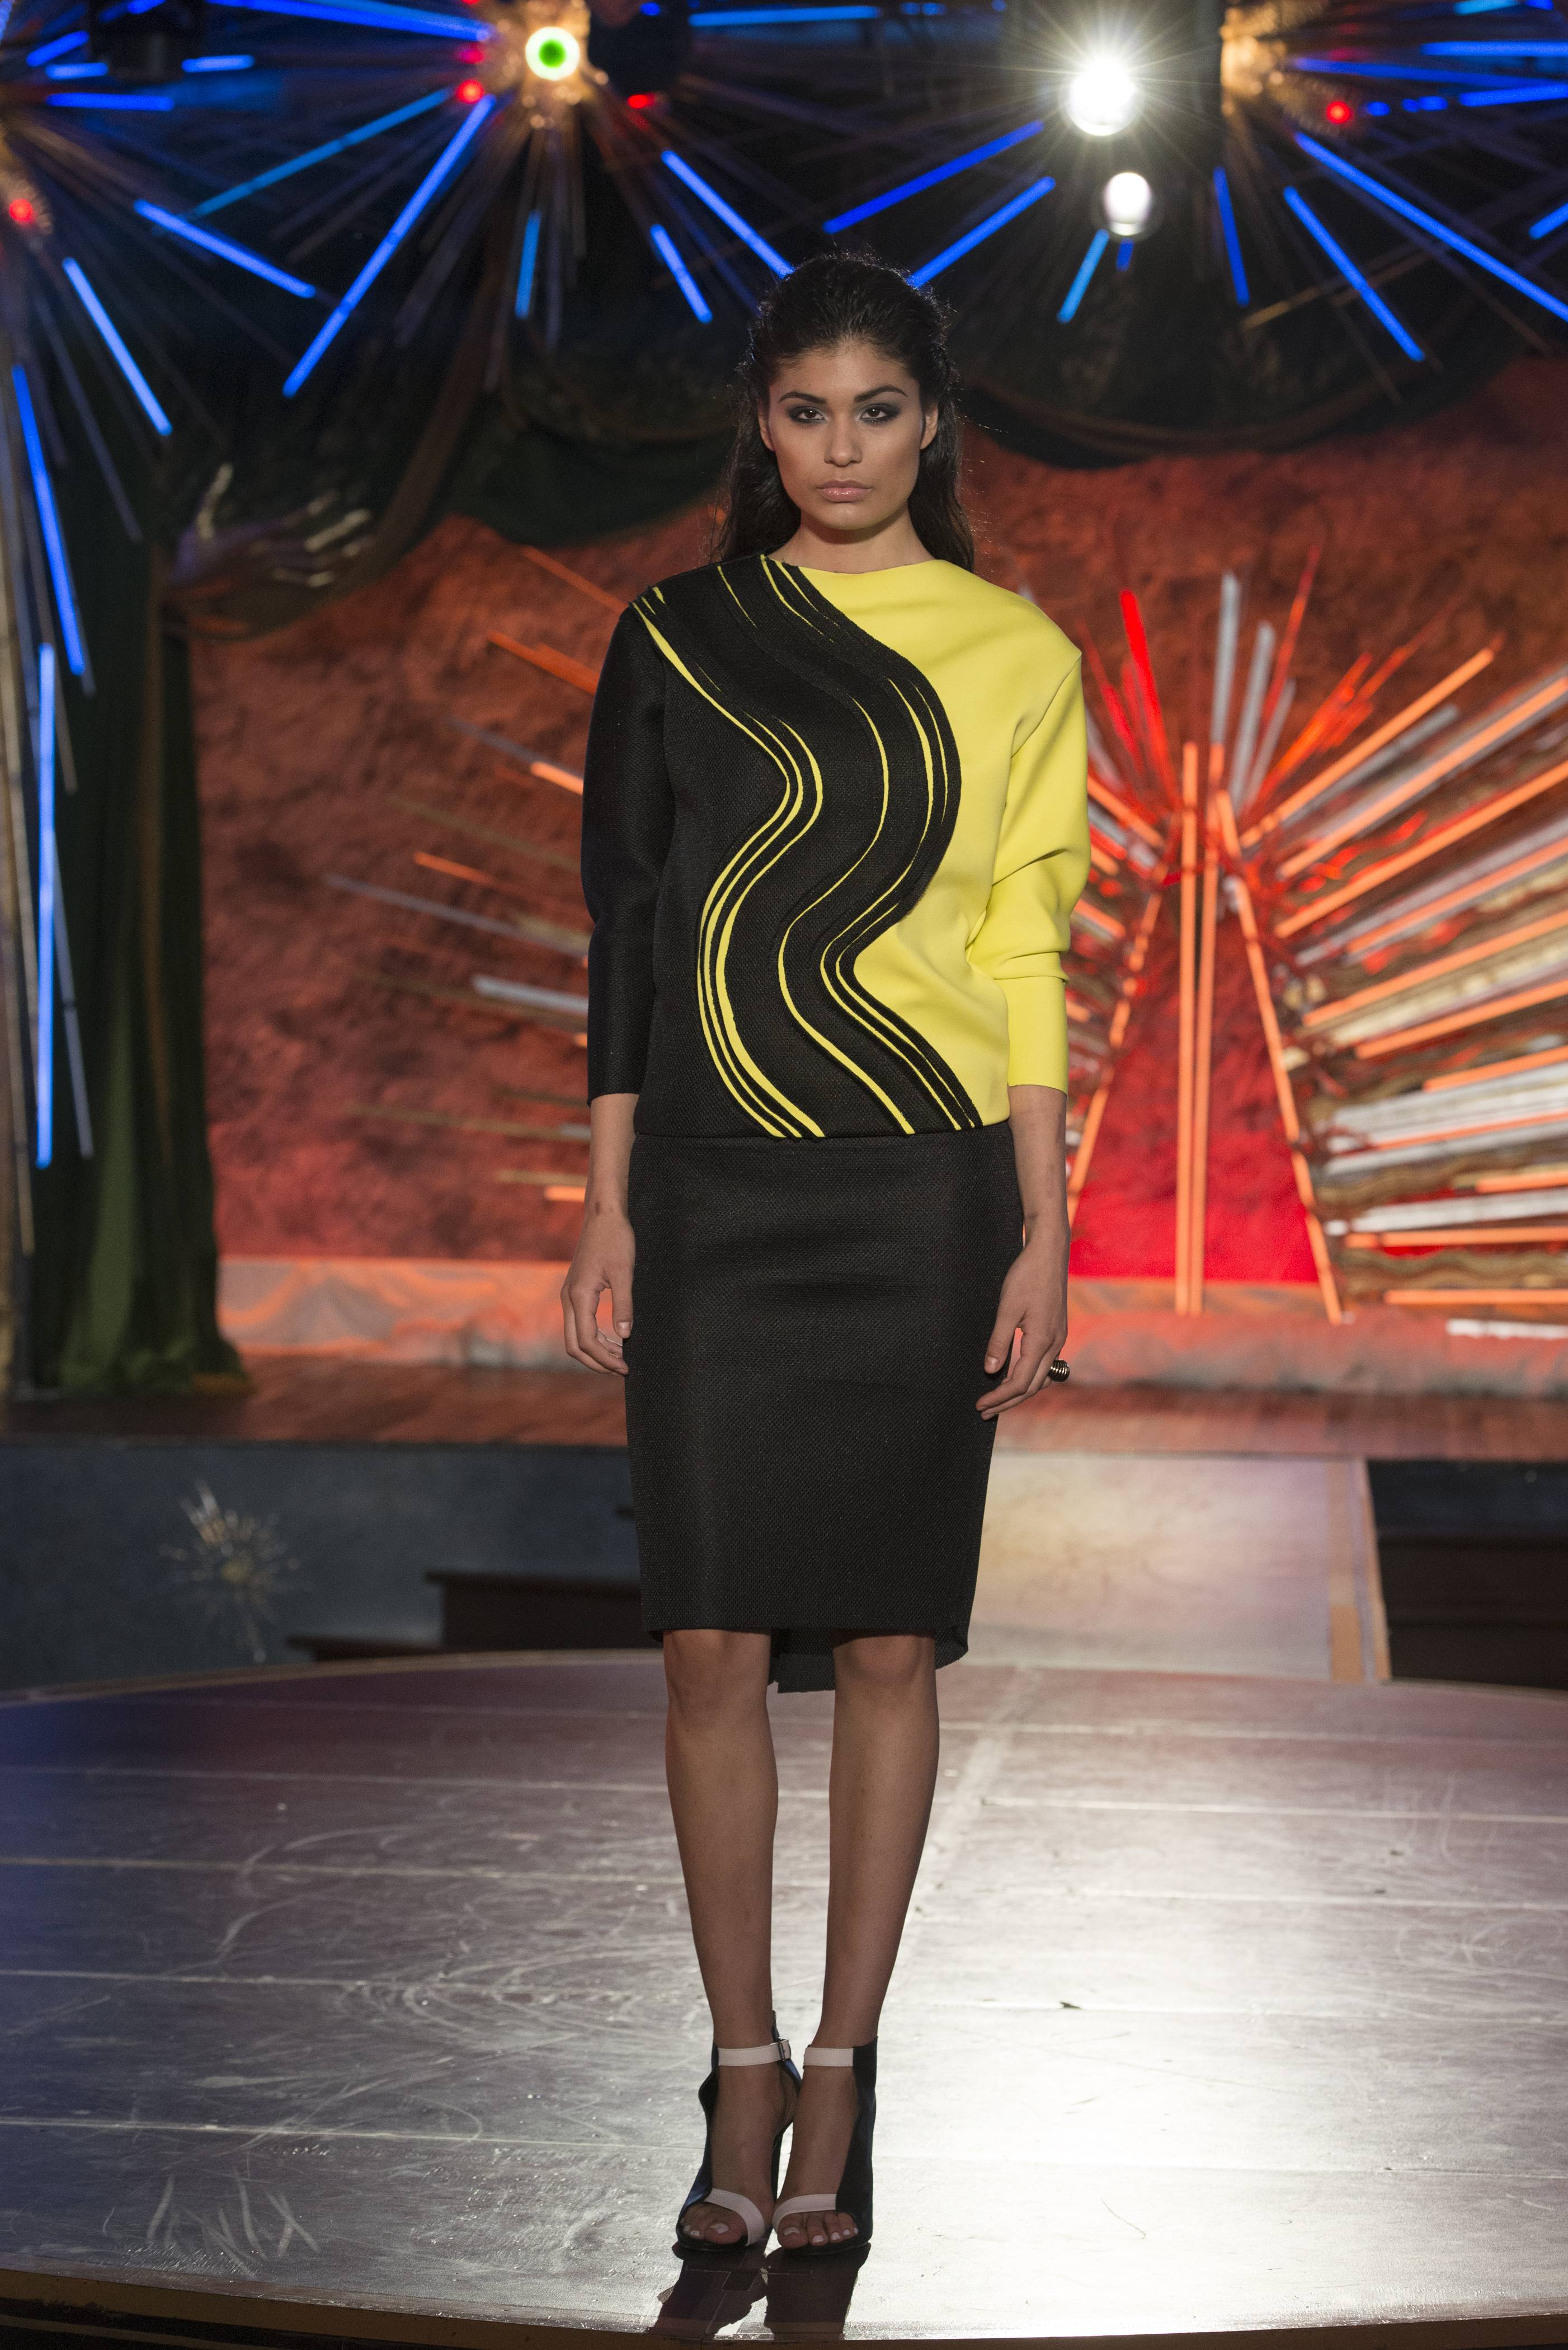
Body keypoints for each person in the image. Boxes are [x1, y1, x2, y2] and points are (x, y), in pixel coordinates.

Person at [561, 252, 1088, 2261]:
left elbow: (1025, 949)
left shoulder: (1012, 653)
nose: (842, 448)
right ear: (761, 424)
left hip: (922, 1190)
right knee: (704, 1644)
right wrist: (606, 1197)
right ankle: (739, 2063)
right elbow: (630, 926)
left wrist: (1041, 1231)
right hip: (709, 1184)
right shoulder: (677, 636)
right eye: (806, 412)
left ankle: (845, 2075)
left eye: (877, 412)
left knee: (883, 1643)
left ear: (930, 426)